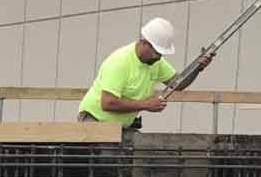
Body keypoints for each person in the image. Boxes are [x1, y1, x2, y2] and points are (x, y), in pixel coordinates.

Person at [76, 17, 214, 131]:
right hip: (94, 120)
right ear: (144, 43)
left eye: (161, 54)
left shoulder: (155, 62)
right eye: (156, 52)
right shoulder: (120, 62)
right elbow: (107, 103)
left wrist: (197, 68)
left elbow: (178, 83)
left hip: (121, 126)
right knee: (107, 158)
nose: (158, 57)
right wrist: (145, 104)